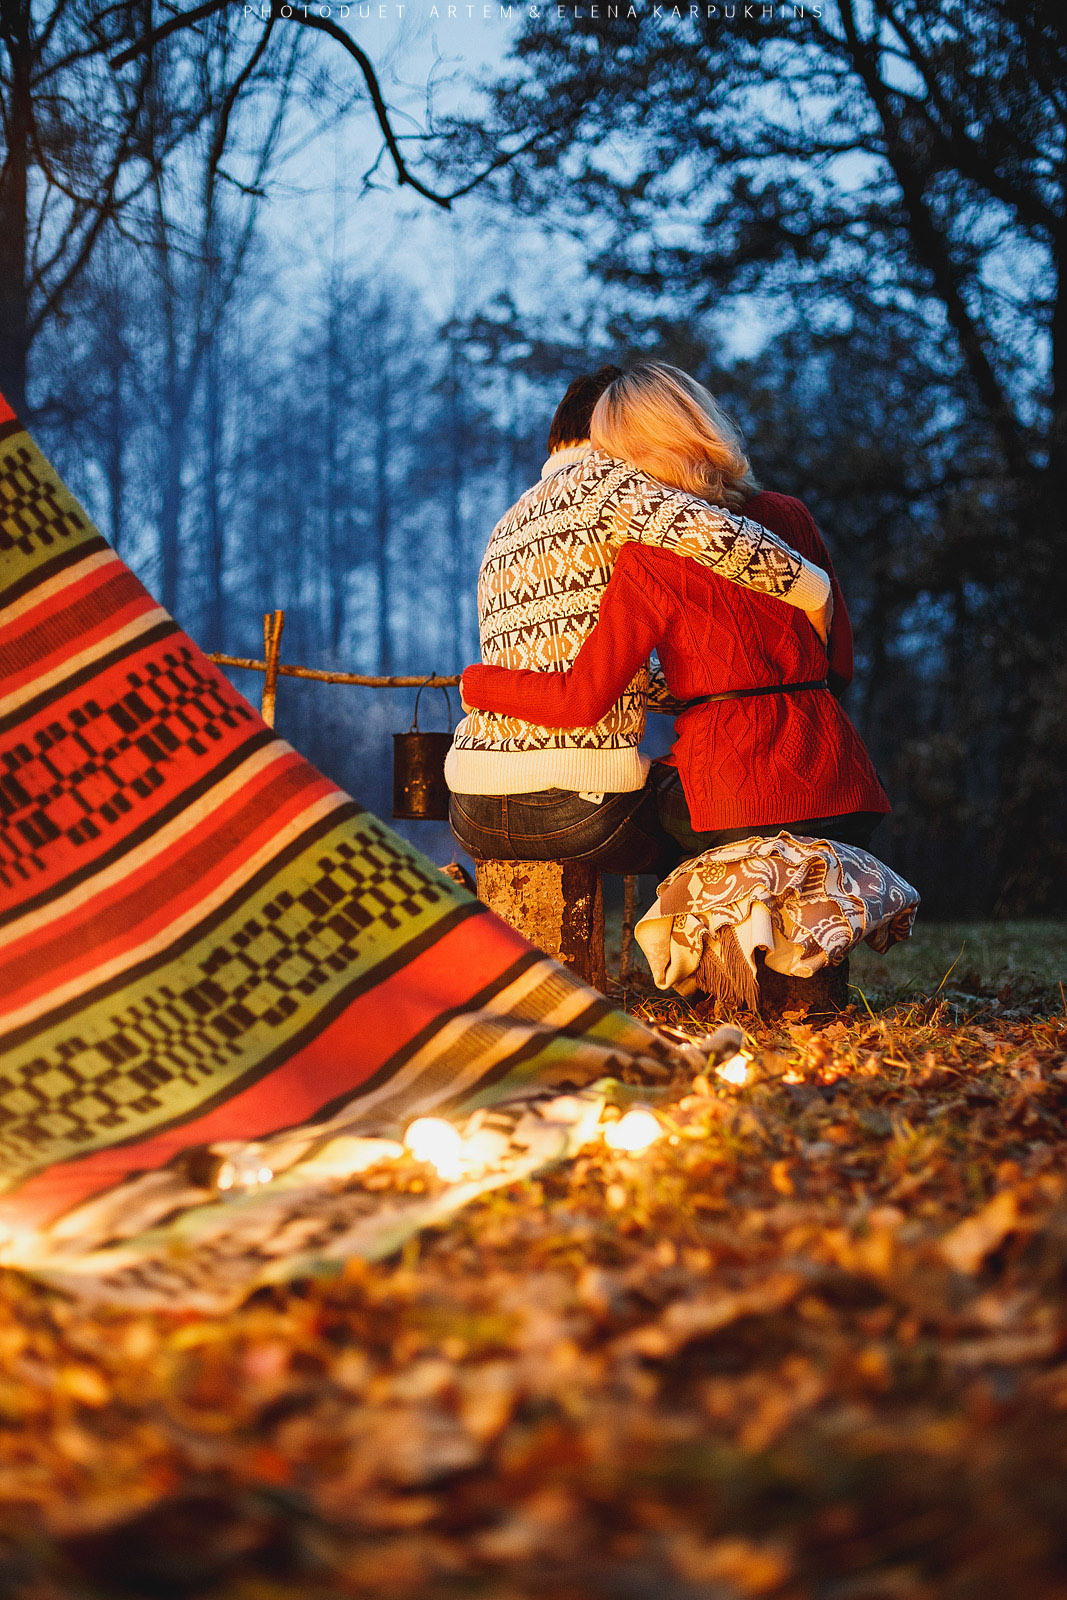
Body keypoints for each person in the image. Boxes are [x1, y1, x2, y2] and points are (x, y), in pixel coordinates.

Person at [460, 363, 889, 863]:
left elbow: (583, 698)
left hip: (732, 799)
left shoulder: (645, 555)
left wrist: (476, 683)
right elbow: (840, 668)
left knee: (672, 805)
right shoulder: (791, 513)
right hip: (845, 786)